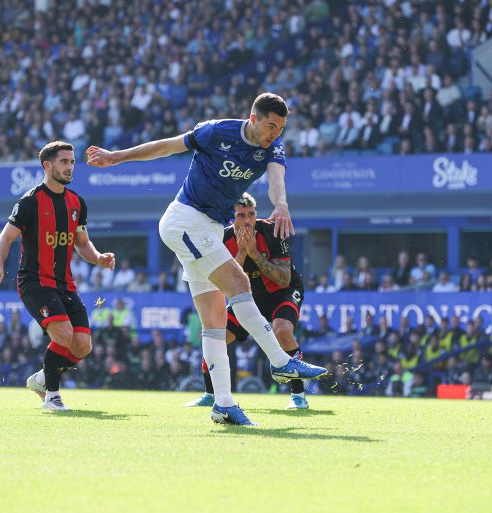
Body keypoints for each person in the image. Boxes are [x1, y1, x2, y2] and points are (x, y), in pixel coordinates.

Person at [85, 92, 328, 426]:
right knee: (240, 283)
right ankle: (280, 360)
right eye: (271, 125)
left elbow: (276, 180)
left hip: (211, 229)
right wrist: (117, 157)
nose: (275, 133)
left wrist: (282, 204)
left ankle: (224, 404)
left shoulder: (273, 147)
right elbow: (167, 146)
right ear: (253, 118)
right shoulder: (216, 131)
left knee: (215, 321)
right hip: (184, 220)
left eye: (281, 128)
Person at [0, 141, 116, 411]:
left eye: (71, 162)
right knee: (64, 334)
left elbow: (82, 243)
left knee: (82, 345)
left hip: (64, 284)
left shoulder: (77, 202)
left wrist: (98, 257)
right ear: (48, 165)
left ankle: (42, 378)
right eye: (64, 162)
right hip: (34, 281)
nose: (70, 167)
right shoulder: (30, 202)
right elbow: (5, 238)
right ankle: (52, 397)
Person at [186, 193, 313, 409]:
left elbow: (284, 279)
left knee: (282, 331)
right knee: (216, 335)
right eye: (241, 215)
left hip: (281, 293)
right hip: (246, 297)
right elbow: (223, 282)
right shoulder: (221, 240)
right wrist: (242, 256)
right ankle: (210, 393)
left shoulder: (273, 231)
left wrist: (255, 254)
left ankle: (298, 396)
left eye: (251, 214)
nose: (247, 221)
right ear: (231, 217)